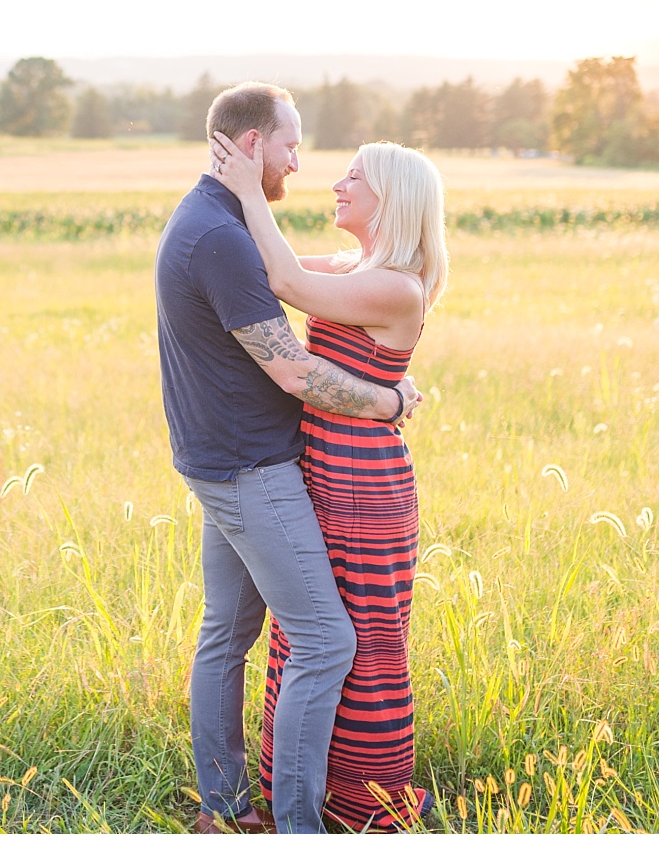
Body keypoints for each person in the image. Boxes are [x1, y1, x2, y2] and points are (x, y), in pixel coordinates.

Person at [156, 81, 421, 834]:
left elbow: (307, 281)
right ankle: (296, 827)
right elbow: (295, 372)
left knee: (226, 635)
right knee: (327, 640)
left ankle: (225, 810)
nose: (301, 164)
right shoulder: (222, 239)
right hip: (251, 468)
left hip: (222, 458)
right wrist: (390, 402)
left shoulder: (208, 219)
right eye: (291, 146)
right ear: (251, 147)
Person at [208, 130, 448, 832]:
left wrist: (252, 188)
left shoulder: (394, 286)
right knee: (308, 634)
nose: (337, 186)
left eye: (353, 179)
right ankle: (302, 794)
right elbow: (260, 263)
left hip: (360, 486)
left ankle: (358, 806)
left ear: (392, 200)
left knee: (359, 643)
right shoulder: (358, 265)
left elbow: (285, 283)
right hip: (325, 474)